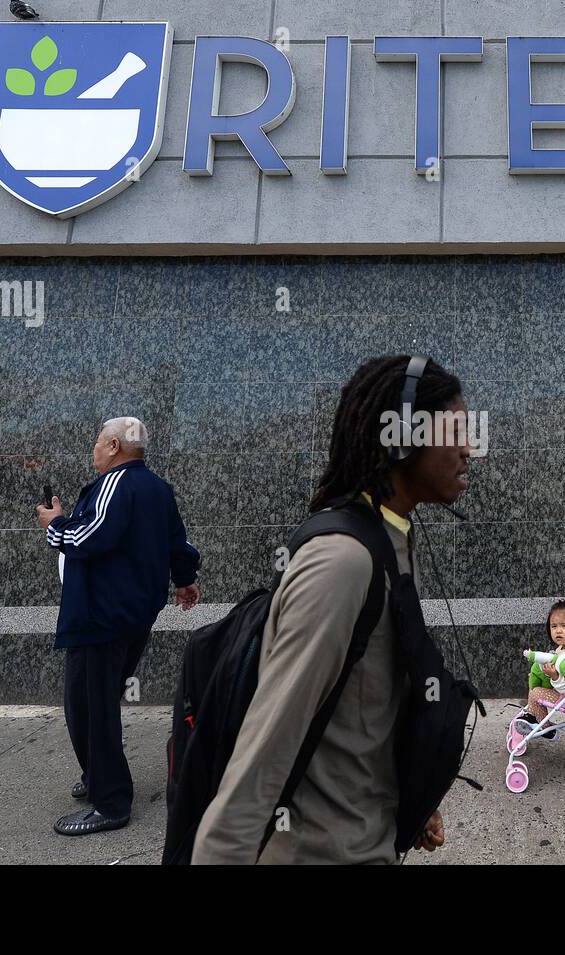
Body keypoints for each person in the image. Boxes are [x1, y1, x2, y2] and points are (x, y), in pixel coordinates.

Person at [190, 355, 471, 864]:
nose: (469, 448)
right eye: (457, 431)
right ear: (403, 436)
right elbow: (264, 751)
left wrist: (407, 794)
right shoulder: (343, 561)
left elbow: (369, 703)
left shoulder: (392, 538)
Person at [36, 417, 201, 834]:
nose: (93, 448)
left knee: (90, 706)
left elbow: (86, 538)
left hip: (101, 615)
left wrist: (54, 524)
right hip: (132, 614)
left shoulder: (116, 483)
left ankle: (110, 802)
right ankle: (98, 775)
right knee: (94, 700)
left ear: (113, 446)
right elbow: (177, 542)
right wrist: (185, 579)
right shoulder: (158, 488)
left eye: (97, 441)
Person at [516, 600, 565, 733]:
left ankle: (540, 724)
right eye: (554, 626)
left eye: (564, 626)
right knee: (535, 683)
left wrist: (554, 676)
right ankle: (538, 719)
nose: (558, 630)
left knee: (535, 692)